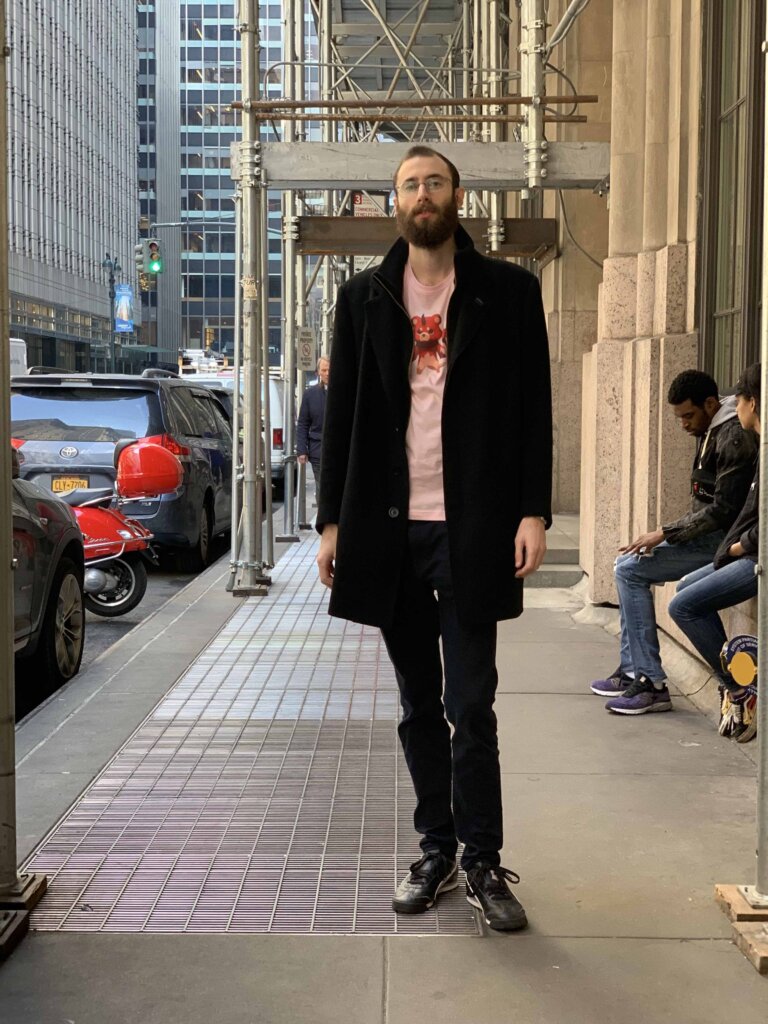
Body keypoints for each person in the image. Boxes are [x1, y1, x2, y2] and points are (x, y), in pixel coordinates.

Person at [315, 145, 552, 932]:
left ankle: (483, 860)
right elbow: (343, 419)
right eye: (411, 184)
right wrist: (329, 522)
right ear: (395, 203)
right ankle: (435, 848)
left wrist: (533, 510)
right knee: (419, 701)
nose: (424, 194)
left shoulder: (509, 294)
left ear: (458, 198)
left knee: (470, 700)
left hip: (475, 525)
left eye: (436, 182)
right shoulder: (363, 298)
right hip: (390, 532)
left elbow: (533, 412)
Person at [591, 369, 757, 714]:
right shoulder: (713, 427)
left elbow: (723, 511)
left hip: (724, 542)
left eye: (688, 415)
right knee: (627, 566)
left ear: (712, 404)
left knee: (632, 572)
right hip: (719, 539)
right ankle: (634, 670)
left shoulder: (734, 437)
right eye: (679, 417)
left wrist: (665, 533)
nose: (683, 424)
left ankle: (650, 681)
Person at [668, 363, 760, 741]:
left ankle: (740, 686)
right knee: (685, 587)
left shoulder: (742, 440)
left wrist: (742, 546)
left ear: (752, 403)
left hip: (754, 559)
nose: (732, 407)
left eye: (737, 400)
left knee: (682, 606)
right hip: (737, 552)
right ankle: (736, 680)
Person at [297, 356, 329, 504]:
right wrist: (302, 450)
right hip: (318, 450)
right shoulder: (310, 395)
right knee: (322, 487)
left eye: (330, 370)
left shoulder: (345, 393)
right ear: (318, 373)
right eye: (324, 370)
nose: (328, 373)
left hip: (341, 450)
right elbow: (303, 423)